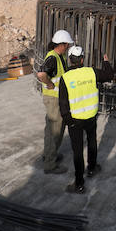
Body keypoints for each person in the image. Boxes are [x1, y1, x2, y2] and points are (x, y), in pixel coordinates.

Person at [58, 44, 114, 194]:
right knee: (92, 141)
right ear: (82, 59)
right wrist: (106, 62)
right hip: (90, 116)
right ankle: (92, 168)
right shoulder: (91, 72)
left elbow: (62, 103)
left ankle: (79, 183)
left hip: (74, 120)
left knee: (77, 151)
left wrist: (68, 120)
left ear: (70, 60)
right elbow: (109, 75)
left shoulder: (65, 77)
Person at [37, 28, 71, 175]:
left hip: (55, 99)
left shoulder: (60, 57)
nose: (68, 47)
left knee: (50, 129)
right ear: (61, 44)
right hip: (54, 99)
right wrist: (49, 84)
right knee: (55, 132)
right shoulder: (52, 58)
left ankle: (48, 155)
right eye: (67, 45)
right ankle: (50, 164)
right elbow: (41, 74)